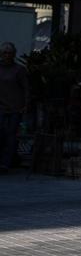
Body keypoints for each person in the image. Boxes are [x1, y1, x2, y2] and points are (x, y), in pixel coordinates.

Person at [0, 42, 29, 174]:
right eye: (4, 53)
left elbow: (26, 89)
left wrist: (25, 105)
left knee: (11, 135)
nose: (7, 55)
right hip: (1, 107)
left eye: (9, 53)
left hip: (15, 108)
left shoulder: (19, 70)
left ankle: (6, 163)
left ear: (14, 54)